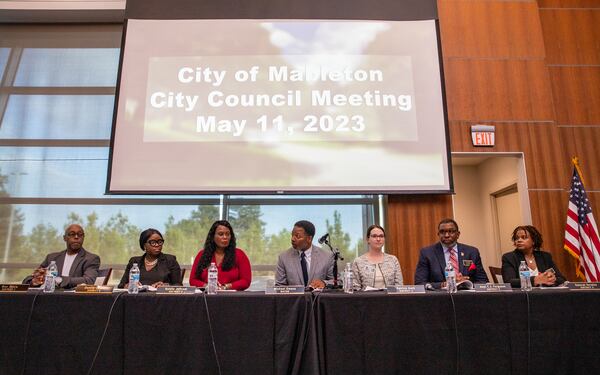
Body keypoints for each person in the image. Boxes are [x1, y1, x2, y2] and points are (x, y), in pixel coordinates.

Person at [414, 218, 489, 288]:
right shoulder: (427, 253)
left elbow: (483, 281)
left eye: (451, 231)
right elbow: (419, 283)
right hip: (440, 298)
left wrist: (466, 283)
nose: (446, 235)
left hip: (468, 296)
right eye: (442, 232)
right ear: (438, 234)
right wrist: (444, 284)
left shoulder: (472, 252)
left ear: (458, 234)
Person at [24, 224, 100, 289]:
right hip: (49, 298)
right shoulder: (52, 258)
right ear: (65, 238)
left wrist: (59, 280)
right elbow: (31, 278)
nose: (76, 237)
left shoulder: (91, 259)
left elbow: (89, 280)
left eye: (80, 234)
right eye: (72, 234)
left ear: (83, 237)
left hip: (75, 300)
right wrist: (34, 281)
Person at [189, 220, 252, 290]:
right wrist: (207, 286)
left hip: (232, 298)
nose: (225, 237)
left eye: (228, 234)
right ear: (213, 236)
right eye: (221, 234)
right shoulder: (202, 255)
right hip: (207, 297)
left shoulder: (239, 254)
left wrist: (226, 287)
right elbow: (193, 280)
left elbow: (246, 281)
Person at [501, 225, 566, 288]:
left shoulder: (545, 256)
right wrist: (535, 280)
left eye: (524, 237)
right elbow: (509, 282)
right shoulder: (509, 258)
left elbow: (561, 279)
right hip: (523, 296)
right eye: (517, 238)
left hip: (546, 294)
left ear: (533, 241)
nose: (519, 240)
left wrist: (551, 279)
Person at [275, 220, 334, 288]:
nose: (292, 239)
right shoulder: (283, 257)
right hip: (294, 299)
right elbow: (279, 287)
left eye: (297, 236)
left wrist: (324, 283)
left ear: (309, 239)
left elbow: (337, 281)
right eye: (292, 235)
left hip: (318, 298)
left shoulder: (327, 257)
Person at [352, 224, 403, 290]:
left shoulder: (393, 260)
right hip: (366, 299)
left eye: (381, 236)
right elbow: (355, 288)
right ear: (368, 239)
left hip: (390, 299)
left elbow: (399, 286)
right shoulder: (358, 261)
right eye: (374, 236)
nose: (378, 239)